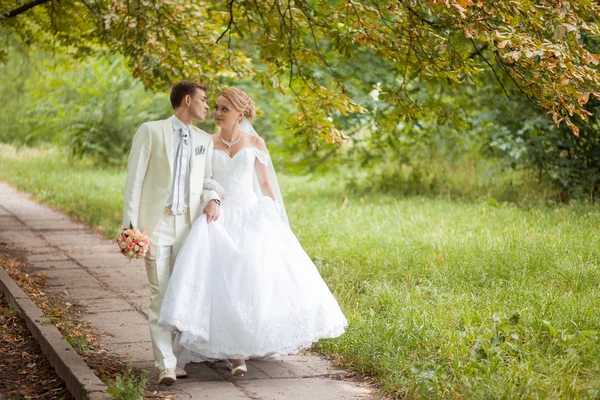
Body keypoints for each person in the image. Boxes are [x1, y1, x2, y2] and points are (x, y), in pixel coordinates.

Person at [158, 87, 347, 377]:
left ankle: (240, 350)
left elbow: (266, 183)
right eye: (216, 107)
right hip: (217, 216)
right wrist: (211, 199)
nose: (217, 113)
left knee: (249, 281)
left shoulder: (255, 142)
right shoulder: (207, 142)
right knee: (218, 281)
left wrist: (274, 215)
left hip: (250, 215)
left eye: (224, 109)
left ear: (241, 113)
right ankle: (234, 355)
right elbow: (203, 180)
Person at [121, 81, 222, 385]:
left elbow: (208, 180)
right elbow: (134, 180)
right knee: (159, 294)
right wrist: (130, 227)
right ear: (187, 100)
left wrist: (213, 198)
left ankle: (176, 355)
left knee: (182, 294)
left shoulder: (205, 139)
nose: (208, 107)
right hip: (155, 226)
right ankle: (165, 363)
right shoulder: (151, 131)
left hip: (189, 228)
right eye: (204, 100)